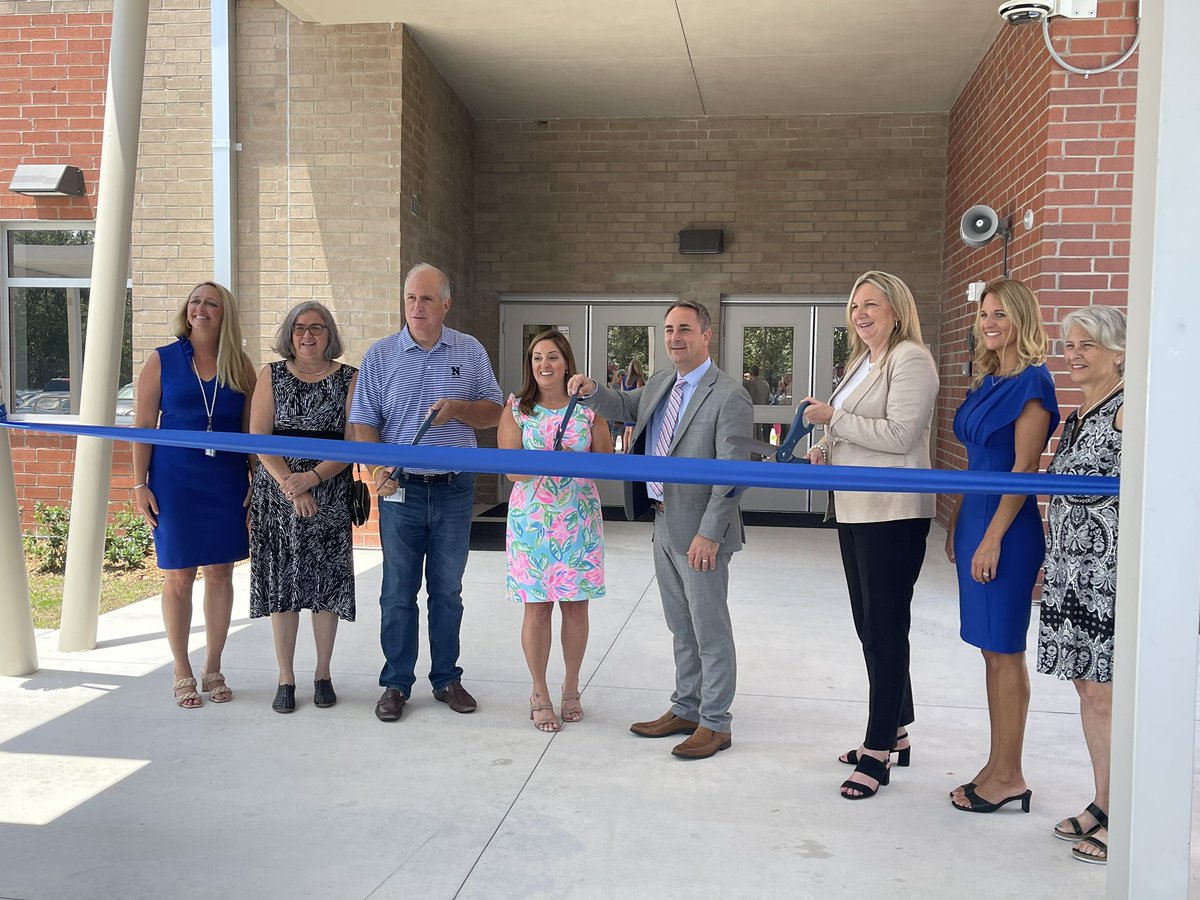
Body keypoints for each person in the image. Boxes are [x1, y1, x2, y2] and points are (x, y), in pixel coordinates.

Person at [568, 299, 753, 760]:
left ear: (706, 336)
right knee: (680, 625)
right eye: (669, 329)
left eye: (685, 329)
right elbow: (624, 405)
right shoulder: (659, 383)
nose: (675, 338)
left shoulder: (729, 394)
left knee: (709, 628)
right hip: (663, 521)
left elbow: (735, 471)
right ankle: (687, 707)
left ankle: (716, 722)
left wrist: (710, 533)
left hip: (701, 532)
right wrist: (593, 389)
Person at [802, 271, 940, 800]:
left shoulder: (912, 359)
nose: (860, 314)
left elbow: (902, 435)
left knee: (884, 631)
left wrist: (834, 416)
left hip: (894, 514)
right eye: (855, 305)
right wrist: (827, 443)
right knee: (869, 626)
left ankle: (878, 750)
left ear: (897, 310)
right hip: (857, 510)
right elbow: (858, 429)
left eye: (872, 305)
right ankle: (897, 728)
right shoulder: (864, 360)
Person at [350, 263, 503, 723]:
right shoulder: (380, 355)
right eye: (411, 299)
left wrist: (458, 409)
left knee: (448, 591)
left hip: (455, 489)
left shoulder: (470, 351)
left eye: (427, 299)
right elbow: (363, 421)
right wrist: (379, 472)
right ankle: (395, 683)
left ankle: (446, 679)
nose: (417, 308)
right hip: (402, 490)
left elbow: (495, 412)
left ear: (445, 304)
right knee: (397, 591)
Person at [945, 277, 1059, 813]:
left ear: (1022, 320)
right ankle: (996, 763)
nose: (989, 323)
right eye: (985, 314)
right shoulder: (988, 380)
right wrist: (960, 522)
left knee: (1006, 651)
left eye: (1000, 315)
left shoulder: (1034, 384)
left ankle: (1010, 775)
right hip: (976, 521)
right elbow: (974, 464)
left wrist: (991, 537)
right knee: (990, 652)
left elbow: (1022, 470)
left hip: (1007, 531)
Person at [131, 281, 256, 709]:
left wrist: (256, 481)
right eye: (195, 302)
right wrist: (139, 482)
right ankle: (182, 668)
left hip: (225, 479)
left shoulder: (239, 363)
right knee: (179, 576)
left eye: (211, 303)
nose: (200, 308)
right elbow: (144, 423)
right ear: (187, 310)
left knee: (220, 573)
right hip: (174, 480)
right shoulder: (163, 359)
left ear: (225, 314)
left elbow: (251, 430)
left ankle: (214, 665)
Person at [1037, 306, 1125, 864]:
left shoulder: (1126, 409)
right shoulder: (1079, 412)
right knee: (1087, 690)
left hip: (1110, 575)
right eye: (1069, 345)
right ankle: (1103, 801)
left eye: (1086, 345)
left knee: (1108, 696)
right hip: (1072, 573)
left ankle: (1126, 814)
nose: (1074, 355)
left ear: (1120, 351)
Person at [498, 329, 612, 732]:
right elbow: (511, 468)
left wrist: (572, 462)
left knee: (576, 606)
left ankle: (570, 687)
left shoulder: (588, 410)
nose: (544, 365)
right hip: (533, 523)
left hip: (577, 519)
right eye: (536, 358)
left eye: (552, 357)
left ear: (567, 362)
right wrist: (551, 462)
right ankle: (539, 691)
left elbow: (607, 461)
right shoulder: (517, 408)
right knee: (538, 607)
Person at [248, 302, 358, 714]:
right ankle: (285, 677)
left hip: (328, 490)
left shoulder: (350, 378)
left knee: (325, 586)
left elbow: (351, 442)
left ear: (330, 334)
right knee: (284, 586)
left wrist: (312, 478)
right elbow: (259, 437)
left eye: (316, 328)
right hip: (278, 494)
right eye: (299, 329)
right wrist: (292, 486)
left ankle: (323, 674)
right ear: (289, 335)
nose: (307, 336)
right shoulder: (270, 376)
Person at [621, 358, 646, 450]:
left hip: (626, 404)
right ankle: (631, 449)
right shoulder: (639, 378)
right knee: (632, 430)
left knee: (627, 430)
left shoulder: (624, 379)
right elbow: (639, 392)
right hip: (635, 406)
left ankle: (625, 450)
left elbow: (622, 392)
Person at [745, 365, 770, 441]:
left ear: (750, 373)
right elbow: (767, 400)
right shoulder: (765, 384)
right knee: (759, 433)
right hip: (762, 411)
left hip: (750, 412)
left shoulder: (747, 384)